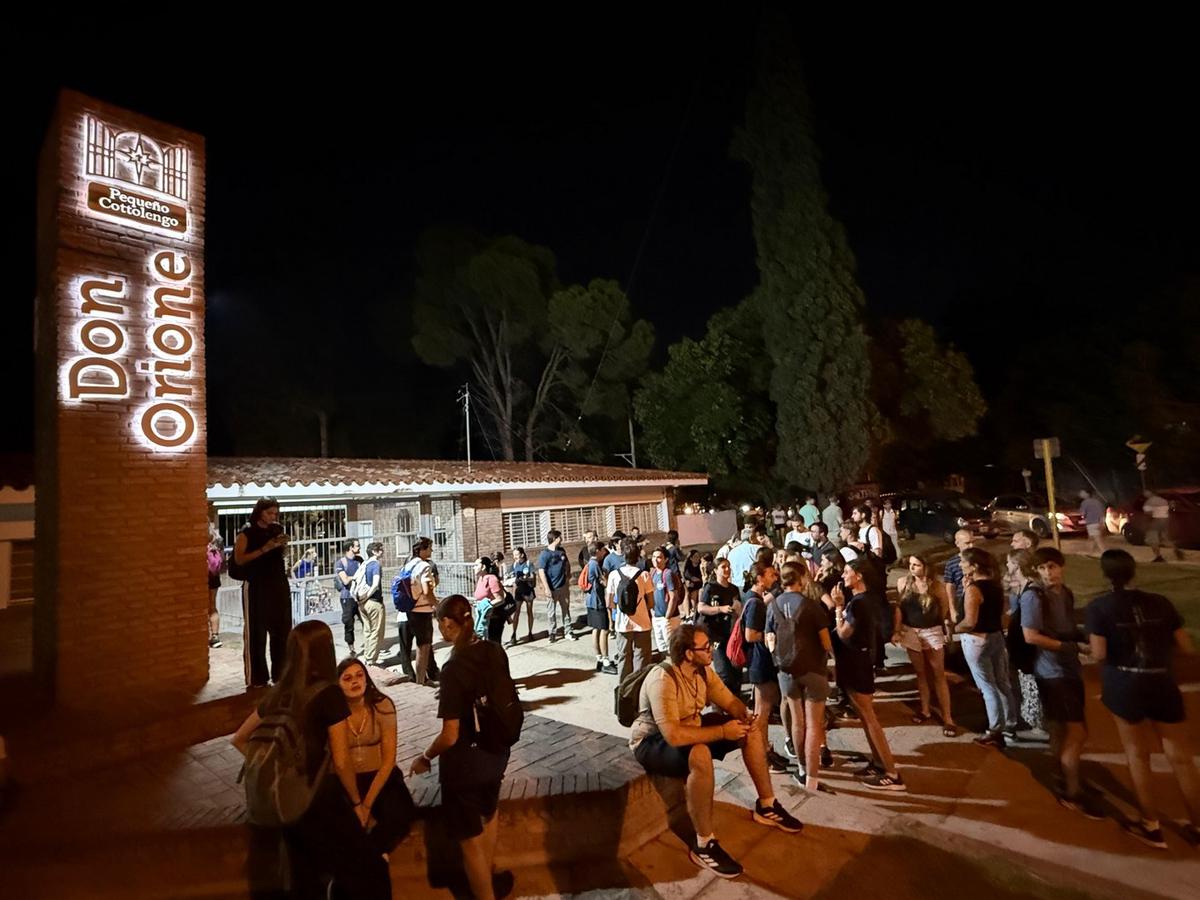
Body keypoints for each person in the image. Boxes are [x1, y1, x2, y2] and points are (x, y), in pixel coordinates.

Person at [629, 623, 803, 880]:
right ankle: (704, 843)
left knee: (750, 730)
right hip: (652, 742)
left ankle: (767, 805)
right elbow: (673, 735)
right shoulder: (662, 678)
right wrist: (722, 732)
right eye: (705, 647)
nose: (712, 650)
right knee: (699, 753)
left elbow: (728, 699)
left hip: (691, 728)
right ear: (689, 653)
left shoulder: (702, 672)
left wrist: (743, 714)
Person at [231, 621, 390, 900]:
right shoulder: (329, 695)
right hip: (313, 799)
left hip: (279, 804)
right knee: (369, 866)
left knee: (303, 879)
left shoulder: (279, 691)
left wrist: (278, 770)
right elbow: (341, 761)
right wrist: (357, 804)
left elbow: (239, 739)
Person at [1087, 550, 1200, 848]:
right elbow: (1186, 647)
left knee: (1137, 755)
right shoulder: (1160, 602)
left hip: (1124, 683)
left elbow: (1098, 653)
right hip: (1161, 680)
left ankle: (1150, 825)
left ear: (1105, 574)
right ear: (1133, 571)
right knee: (1181, 758)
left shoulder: (1099, 607)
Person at [409, 595, 516, 900]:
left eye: (440, 624)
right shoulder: (494, 650)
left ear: (447, 623)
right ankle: (492, 878)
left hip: (466, 765)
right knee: (490, 815)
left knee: (470, 843)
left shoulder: (454, 666)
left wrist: (425, 756)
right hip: (496, 752)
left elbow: (450, 734)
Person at [1023, 547, 1099, 817]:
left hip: (1068, 670)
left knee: (1059, 729)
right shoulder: (1033, 597)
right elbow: (1030, 636)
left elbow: (1066, 627)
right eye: (1042, 568)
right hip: (1053, 672)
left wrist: (1079, 639)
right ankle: (1072, 793)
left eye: (1052, 566)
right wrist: (1071, 648)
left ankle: (1062, 775)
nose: (1048, 573)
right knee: (1078, 732)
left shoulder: (1064, 593)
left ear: (1062, 566)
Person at [831, 557, 905, 790]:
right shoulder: (868, 600)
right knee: (864, 715)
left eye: (847, 572)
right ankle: (877, 762)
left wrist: (838, 607)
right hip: (860, 660)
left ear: (859, 575)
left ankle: (891, 773)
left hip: (856, 663)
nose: (843, 576)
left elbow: (843, 633)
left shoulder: (858, 603)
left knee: (868, 716)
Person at [336, 658, 414, 856]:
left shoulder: (382, 705)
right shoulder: (334, 713)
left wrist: (367, 804)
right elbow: (339, 761)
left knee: (398, 815)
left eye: (359, 675)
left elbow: (389, 760)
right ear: (337, 684)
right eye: (347, 678)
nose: (355, 682)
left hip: (381, 776)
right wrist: (356, 803)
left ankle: (374, 857)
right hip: (347, 781)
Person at [769, 562, 833, 792]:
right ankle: (813, 778)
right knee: (814, 725)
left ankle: (803, 769)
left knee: (798, 722)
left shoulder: (773, 605)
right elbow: (826, 642)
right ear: (801, 579)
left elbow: (770, 640)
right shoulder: (811, 606)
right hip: (813, 669)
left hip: (786, 671)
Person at [955, 548, 1019, 746]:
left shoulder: (975, 589)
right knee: (1002, 682)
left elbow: (970, 621)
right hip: (996, 635)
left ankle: (994, 729)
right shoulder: (995, 585)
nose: (959, 565)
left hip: (977, 640)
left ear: (973, 566)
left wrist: (952, 629)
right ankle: (1010, 723)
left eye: (962, 562)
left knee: (987, 686)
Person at [894, 555, 957, 736]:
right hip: (911, 631)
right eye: (911, 565)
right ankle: (925, 709)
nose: (912, 568)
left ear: (926, 566)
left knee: (938, 674)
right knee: (920, 673)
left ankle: (947, 717)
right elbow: (900, 608)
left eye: (917, 565)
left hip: (931, 631)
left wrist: (946, 628)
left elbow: (944, 610)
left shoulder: (937, 587)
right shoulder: (903, 583)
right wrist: (897, 630)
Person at [234, 498, 293, 689]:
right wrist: (264, 548)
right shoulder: (247, 532)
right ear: (260, 512)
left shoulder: (276, 529)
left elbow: (280, 555)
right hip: (257, 586)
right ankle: (257, 679)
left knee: (282, 632)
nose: (273, 516)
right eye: (269, 513)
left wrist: (282, 546)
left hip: (278, 584)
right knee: (256, 634)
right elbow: (239, 559)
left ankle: (281, 675)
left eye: (275, 513)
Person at [741, 561, 790, 774]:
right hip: (760, 662)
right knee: (762, 713)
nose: (775, 577)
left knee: (763, 711)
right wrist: (772, 635)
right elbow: (750, 635)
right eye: (771, 574)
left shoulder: (755, 599)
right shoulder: (755, 603)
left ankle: (765, 749)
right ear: (760, 578)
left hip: (759, 662)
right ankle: (762, 754)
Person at [1005, 550, 1043, 732]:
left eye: (1009, 563)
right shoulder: (1022, 589)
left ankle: (1039, 725)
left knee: (1032, 687)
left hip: (1028, 651)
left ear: (1017, 566)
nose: (1006, 567)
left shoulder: (1031, 594)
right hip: (1021, 650)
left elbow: (1029, 628)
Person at [609, 537, 655, 680]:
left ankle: (624, 691)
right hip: (642, 623)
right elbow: (651, 603)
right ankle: (639, 690)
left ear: (623, 555)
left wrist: (617, 614)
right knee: (641, 658)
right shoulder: (644, 575)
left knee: (624, 657)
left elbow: (609, 603)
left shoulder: (614, 575)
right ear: (638, 556)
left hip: (623, 623)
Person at [407, 537, 441, 686]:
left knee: (421, 646)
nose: (431, 551)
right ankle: (420, 680)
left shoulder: (409, 565)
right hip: (422, 610)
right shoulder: (423, 566)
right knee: (424, 647)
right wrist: (437, 605)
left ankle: (420, 679)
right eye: (429, 548)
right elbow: (427, 590)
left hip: (411, 609)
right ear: (421, 549)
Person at [583, 541, 616, 673]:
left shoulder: (590, 564)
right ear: (597, 551)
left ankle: (599, 658)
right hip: (598, 602)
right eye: (603, 550)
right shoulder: (595, 564)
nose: (604, 552)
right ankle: (606, 660)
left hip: (590, 601)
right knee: (604, 629)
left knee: (595, 629)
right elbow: (604, 582)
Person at [537, 530, 573, 643]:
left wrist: (567, 577)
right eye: (560, 538)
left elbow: (567, 564)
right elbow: (541, 571)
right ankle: (552, 632)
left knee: (566, 609)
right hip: (551, 587)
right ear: (555, 539)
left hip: (563, 586)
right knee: (551, 612)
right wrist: (546, 588)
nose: (561, 540)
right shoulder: (545, 554)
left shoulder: (561, 551)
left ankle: (568, 631)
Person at [358, 542, 387, 666]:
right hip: (373, 601)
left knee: (368, 630)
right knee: (377, 632)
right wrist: (368, 596)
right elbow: (375, 585)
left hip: (362, 603)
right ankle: (371, 660)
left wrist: (362, 599)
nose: (382, 551)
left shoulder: (364, 564)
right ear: (374, 552)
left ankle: (367, 656)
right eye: (380, 549)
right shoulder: (375, 564)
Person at [334, 540, 364, 660]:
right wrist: (357, 577)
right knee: (349, 623)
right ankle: (351, 648)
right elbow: (345, 580)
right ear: (350, 548)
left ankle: (369, 645)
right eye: (357, 546)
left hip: (360, 596)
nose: (359, 547)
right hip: (347, 597)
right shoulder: (341, 563)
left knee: (365, 622)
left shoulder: (359, 560)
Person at [650, 546, 682, 655]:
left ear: (666, 559)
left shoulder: (668, 574)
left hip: (669, 618)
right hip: (657, 617)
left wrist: (667, 616)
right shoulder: (653, 573)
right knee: (662, 648)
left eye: (659, 557)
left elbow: (673, 596)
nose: (655, 559)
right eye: (654, 557)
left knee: (671, 648)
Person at [472, 557, 510, 644]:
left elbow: (500, 599)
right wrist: (478, 604)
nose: (474, 567)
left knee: (493, 646)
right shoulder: (481, 579)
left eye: (476, 565)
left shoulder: (492, 579)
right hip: (483, 618)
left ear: (483, 567)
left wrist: (485, 605)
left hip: (494, 618)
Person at [942, 529, 974, 624]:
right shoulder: (952, 563)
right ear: (957, 543)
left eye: (973, 542)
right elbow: (950, 586)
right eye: (967, 543)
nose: (971, 546)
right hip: (962, 601)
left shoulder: (982, 559)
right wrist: (952, 609)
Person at [1143, 490, 1179, 562]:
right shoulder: (1163, 500)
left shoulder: (1149, 501)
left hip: (1157, 521)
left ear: (1149, 493)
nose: (1144, 494)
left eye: (1145, 493)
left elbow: (1148, 513)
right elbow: (1170, 508)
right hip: (1165, 520)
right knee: (1164, 538)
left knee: (1152, 539)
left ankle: (1158, 556)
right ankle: (1177, 550)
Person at [207, 526, 225, 649]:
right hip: (214, 576)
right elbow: (222, 559)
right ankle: (215, 636)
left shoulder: (199, 535)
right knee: (212, 606)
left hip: (202, 575)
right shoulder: (216, 537)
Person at [1079, 489, 1107, 556]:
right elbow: (1102, 512)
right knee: (1092, 538)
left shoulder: (1085, 502)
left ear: (1087, 494)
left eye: (1082, 493)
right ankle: (1090, 552)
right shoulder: (1097, 501)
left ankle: (1105, 553)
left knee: (1097, 539)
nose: (1080, 494)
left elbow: (1082, 513)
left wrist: (1083, 518)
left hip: (1091, 523)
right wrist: (1102, 522)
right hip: (1099, 522)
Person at [682, 549, 704, 622]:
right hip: (691, 586)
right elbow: (690, 577)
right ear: (691, 558)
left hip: (699, 585)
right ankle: (692, 612)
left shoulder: (701, 565)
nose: (697, 558)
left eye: (698, 556)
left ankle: (697, 611)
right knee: (693, 593)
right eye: (695, 556)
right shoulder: (688, 567)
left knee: (699, 592)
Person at [881, 498, 902, 564]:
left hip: (893, 532)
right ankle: (889, 559)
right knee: (887, 547)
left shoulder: (894, 512)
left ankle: (899, 559)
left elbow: (896, 521)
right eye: (886, 504)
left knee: (895, 545)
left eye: (889, 503)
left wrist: (897, 530)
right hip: (885, 532)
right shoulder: (881, 512)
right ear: (884, 505)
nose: (888, 505)